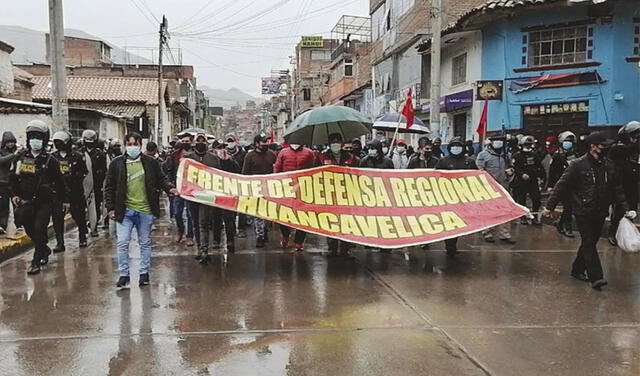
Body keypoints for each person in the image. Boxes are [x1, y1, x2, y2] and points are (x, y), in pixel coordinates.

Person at [543, 132, 634, 291]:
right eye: (603, 145)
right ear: (593, 147)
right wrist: (549, 207)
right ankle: (596, 277)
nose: (607, 148)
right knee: (588, 241)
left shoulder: (608, 165)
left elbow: (617, 188)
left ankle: (577, 269)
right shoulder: (578, 165)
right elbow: (561, 186)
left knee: (590, 242)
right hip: (583, 210)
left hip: (601, 210)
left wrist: (627, 209)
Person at [105, 132, 177, 290]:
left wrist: (170, 188)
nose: (132, 147)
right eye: (129, 144)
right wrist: (110, 208)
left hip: (145, 211)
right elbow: (109, 187)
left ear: (140, 145)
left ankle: (144, 273)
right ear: (125, 145)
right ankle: (124, 275)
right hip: (124, 212)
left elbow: (162, 178)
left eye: (135, 144)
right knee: (123, 243)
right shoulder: (116, 164)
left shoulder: (151, 163)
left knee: (145, 243)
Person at [9, 120, 69, 275]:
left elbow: (61, 183)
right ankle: (44, 249)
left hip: (45, 202)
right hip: (26, 201)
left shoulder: (51, 160)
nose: (35, 140)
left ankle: (35, 262)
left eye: (38, 137)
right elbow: (13, 179)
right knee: (29, 229)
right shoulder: (21, 158)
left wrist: (65, 200)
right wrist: (15, 195)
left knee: (40, 228)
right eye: (32, 136)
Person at [318, 133, 360, 257]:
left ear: (341, 143)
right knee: (331, 222)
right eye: (332, 141)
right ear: (329, 143)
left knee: (346, 222)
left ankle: (345, 249)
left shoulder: (352, 159)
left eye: (337, 141)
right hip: (329, 195)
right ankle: (332, 247)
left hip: (347, 195)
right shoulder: (321, 158)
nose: (335, 143)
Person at [183, 134, 223, 263]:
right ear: (194, 143)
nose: (201, 143)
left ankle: (205, 250)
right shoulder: (188, 158)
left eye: (203, 141)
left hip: (206, 196)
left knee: (203, 223)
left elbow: (219, 176)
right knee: (195, 223)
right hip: (192, 196)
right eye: (198, 141)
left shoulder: (213, 159)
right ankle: (200, 248)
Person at [435, 137, 478, 257]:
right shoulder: (443, 161)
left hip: (463, 197)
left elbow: (475, 177)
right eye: (454, 146)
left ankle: (454, 243)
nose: (456, 148)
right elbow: (436, 177)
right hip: (448, 197)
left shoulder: (469, 161)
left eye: (458, 146)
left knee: (460, 222)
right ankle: (450, 246)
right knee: (450, 222)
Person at [274, 141, 317, 252]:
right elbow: (277, 170)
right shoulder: (283, 153)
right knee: (282, 215)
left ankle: (299, 241)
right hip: (286, 189)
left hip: (303, 189)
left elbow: (313, 170)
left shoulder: (309, 153)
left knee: (303, 216)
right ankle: (285, 234)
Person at [51, 131, 89, 251]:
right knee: (57, 218)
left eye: (61, 142)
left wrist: (74, 176)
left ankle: (82, 236)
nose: (58, 144)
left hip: (75, 191)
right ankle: (60, 242)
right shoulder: (52, 157)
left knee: (79, 216)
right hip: (58, 193)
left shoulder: (77, 156)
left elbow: (84, 171)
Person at [476, 135, 517, 244]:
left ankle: (505, 234)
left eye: (501, 141)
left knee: (505, 211)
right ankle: (487, 232)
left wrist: (511, 172)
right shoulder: (483, 155)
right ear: (491, 142)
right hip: (488, 188)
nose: (498, 143)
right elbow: (478, 171)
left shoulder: (506, 155)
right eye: (496, 140)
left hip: (504, 187)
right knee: (489, 211)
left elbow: (511, 169)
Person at [608, 121, 640, 245]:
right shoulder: (618, 148)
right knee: (619, 211)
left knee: (632, 210)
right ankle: (613, 232)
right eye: (634, 136)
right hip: (620, 185)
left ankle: (628, 234)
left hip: (633, 183)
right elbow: (624, 151)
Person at [242, 134, 277, 248]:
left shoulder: (272, 155)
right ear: (257, 143)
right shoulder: (249, 156)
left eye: (266, 141)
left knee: (268, 213)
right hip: (255, 189)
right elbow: (245, 173)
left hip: (269, 188)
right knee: (258, 213)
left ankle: (265, 230)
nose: (265, 144)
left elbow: (276, 170)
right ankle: (259, 236)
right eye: (263, 142)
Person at [163, 134, 196, 246]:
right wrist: (170, 185)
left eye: (187, 141)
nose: (185, 143)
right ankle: (180, 230)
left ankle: (190, 236)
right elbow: (169, 170)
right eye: (183, 141)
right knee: (177, 212)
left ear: (191, 142)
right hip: (178, 187)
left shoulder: (195, 155)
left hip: (191, 188)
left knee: (190, 213)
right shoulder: (175, 155)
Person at [547, 131, 579, 238]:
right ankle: (567, 227)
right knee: (568, 206)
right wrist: (550, 186)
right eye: (566, 141)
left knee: (570, 207)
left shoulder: (575, 155)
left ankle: (560, 223)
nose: (568, 143)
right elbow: (552, 172)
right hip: (562, 185)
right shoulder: (557, 156)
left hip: (574, 184)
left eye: (570, 141)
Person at [211, 145, 241, 255]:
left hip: (228, 193)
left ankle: (230, 241)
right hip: (215, 193)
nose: (221, 150)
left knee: (229, 218)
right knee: (216, 218)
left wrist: (228, 161)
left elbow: (237, 172)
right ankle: (216, 240)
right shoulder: (212, 159)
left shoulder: (231, 159)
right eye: (219, 148)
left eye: (223, 147)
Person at [512, 135, 545, 225]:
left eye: (529, 145)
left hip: (533, 181)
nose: (528, 147)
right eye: (526, 145)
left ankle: (534, 217)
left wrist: (540, 176)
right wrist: (522, 174)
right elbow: (515, 167)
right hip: (521, 181)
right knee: (521, 200)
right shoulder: (517, 155)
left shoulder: (534, 155)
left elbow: (540, 166)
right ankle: (523, 217)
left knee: (536, 198)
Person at [80, 130, 107, 236]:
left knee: (95, 206)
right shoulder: (80, 153)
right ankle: (83, 227)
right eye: (87, 140)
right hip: (82, 183)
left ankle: (94, 226)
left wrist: (100, 178)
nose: (89, 142)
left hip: (96, 184)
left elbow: (103, 170)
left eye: (91, 140)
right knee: (81, 207)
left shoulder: (100, 154)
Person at [225, 134, 248, 238]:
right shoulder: (223, 154)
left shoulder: (243, 154)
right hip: (227, 185)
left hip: (241, 184)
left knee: (242, 207)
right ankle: (232, 228)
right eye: (228, 141)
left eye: (231, 141)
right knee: (230, 209)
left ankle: (241, 228)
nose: (230, 143)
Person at [0, 131, 18, 234]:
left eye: (12, 142)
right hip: (3, 181)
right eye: (8, 142)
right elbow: (1, 161)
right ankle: (2, 224)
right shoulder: (1, 151)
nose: (11, 144)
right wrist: (13, 155)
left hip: (14, 180)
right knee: (3, 205)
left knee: (16, 203)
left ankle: (18, 222)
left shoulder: (16, 151)